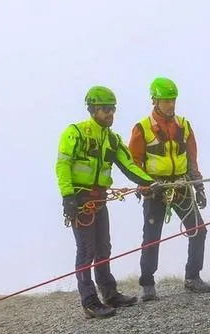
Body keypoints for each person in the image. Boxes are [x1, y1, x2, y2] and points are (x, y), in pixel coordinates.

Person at [56, 86, 156, 319]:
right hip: (80, 201)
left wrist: (150, 183)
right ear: (92, 109)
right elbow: (63, 164)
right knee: (86, 251)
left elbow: (129, 165)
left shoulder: (112, 139)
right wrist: (68, 196)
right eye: (105, 109)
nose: (110, 114)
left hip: (99, 200)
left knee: (104, 248)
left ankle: (109, 294)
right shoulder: (76, 133)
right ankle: (89, 301)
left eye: (113, 109)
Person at [128, 77, 210, 301]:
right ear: (155, 100)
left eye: (173, 100)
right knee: (152, 237)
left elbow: (191, 158)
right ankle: (147, 284)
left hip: (182, 185)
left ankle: (192, 277)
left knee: (198, 230)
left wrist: (199, 186)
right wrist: (144, 184)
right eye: (166, 101)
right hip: (156, 189)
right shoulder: (142, 128)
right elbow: (133, 162)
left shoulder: (183, 125)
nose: (171, 105)